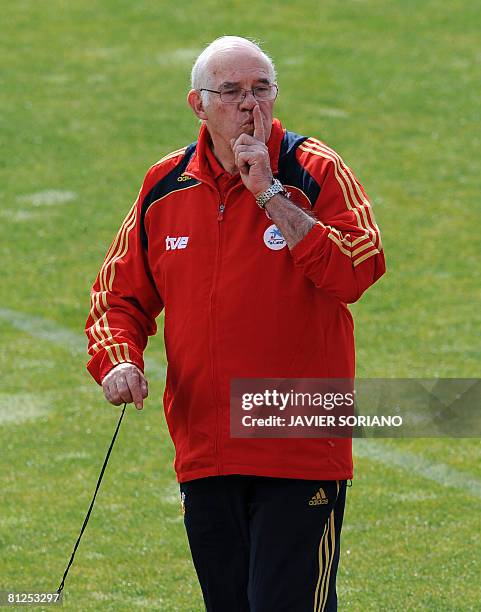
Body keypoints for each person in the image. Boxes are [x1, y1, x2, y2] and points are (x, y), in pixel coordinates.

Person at [85, 36, 385, 611]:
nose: (251, 105)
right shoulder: (165, 186)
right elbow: (116, 296)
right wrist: (118, 359)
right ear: (198, 104)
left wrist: (269, 192)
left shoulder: (315, 170)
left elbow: (360, 268)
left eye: (261, 89)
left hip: (299, 443)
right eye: (232, 92)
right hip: (206, 448)